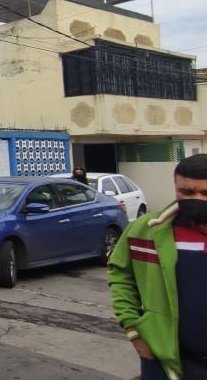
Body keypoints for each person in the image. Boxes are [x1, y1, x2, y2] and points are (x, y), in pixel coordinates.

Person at [109, 154, 207, 380]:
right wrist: (134, 331)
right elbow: (120, 275)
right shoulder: (147, 230)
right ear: (175, 188)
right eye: (187, 192)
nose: (196, 199)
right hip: (164, 363)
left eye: (205, 193)